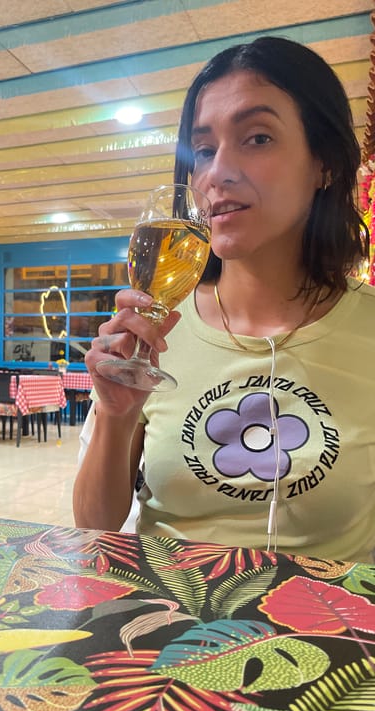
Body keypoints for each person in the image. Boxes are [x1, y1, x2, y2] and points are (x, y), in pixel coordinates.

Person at [73, 36, 374, 564]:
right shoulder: (158, 331)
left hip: (326, 633)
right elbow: (94, 526)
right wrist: (115, 415)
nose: (218, 173)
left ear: (323, 163)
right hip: (165, 625)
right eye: (205, 150)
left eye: (257, 138)